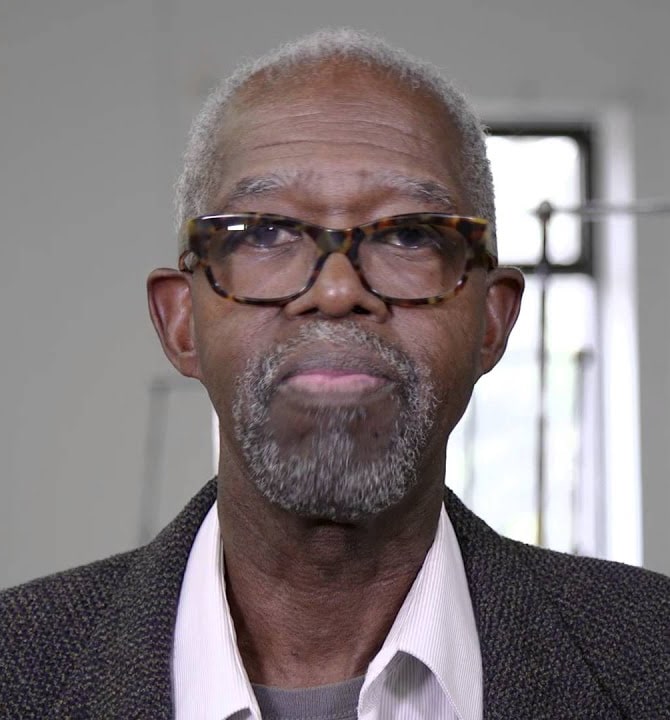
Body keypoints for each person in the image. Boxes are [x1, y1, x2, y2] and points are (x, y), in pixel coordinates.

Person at [1, 28, 668, 720]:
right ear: (180, 324)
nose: (337, 290)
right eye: (265, 234)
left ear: (492, 323)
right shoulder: (17, 667)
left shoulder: (653, 659)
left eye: (410, 235)